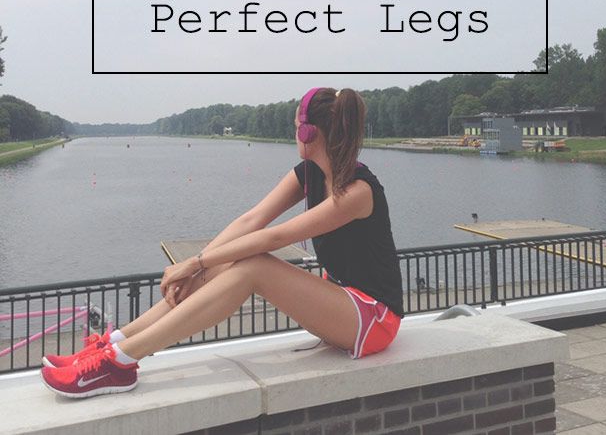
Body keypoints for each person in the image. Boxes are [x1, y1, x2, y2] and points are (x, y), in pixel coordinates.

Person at [41, 88, 404, 399]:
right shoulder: (309, 174)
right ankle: (115, 343)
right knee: (226, 261)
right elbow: (251, 220)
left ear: (309, 133)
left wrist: (195, 263)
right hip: (339, 306)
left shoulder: (357, 191)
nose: (295, 135)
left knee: (254, 263)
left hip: (373, 319)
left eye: (296, 127)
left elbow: (276, 236)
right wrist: (201, 263)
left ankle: (120, 362)